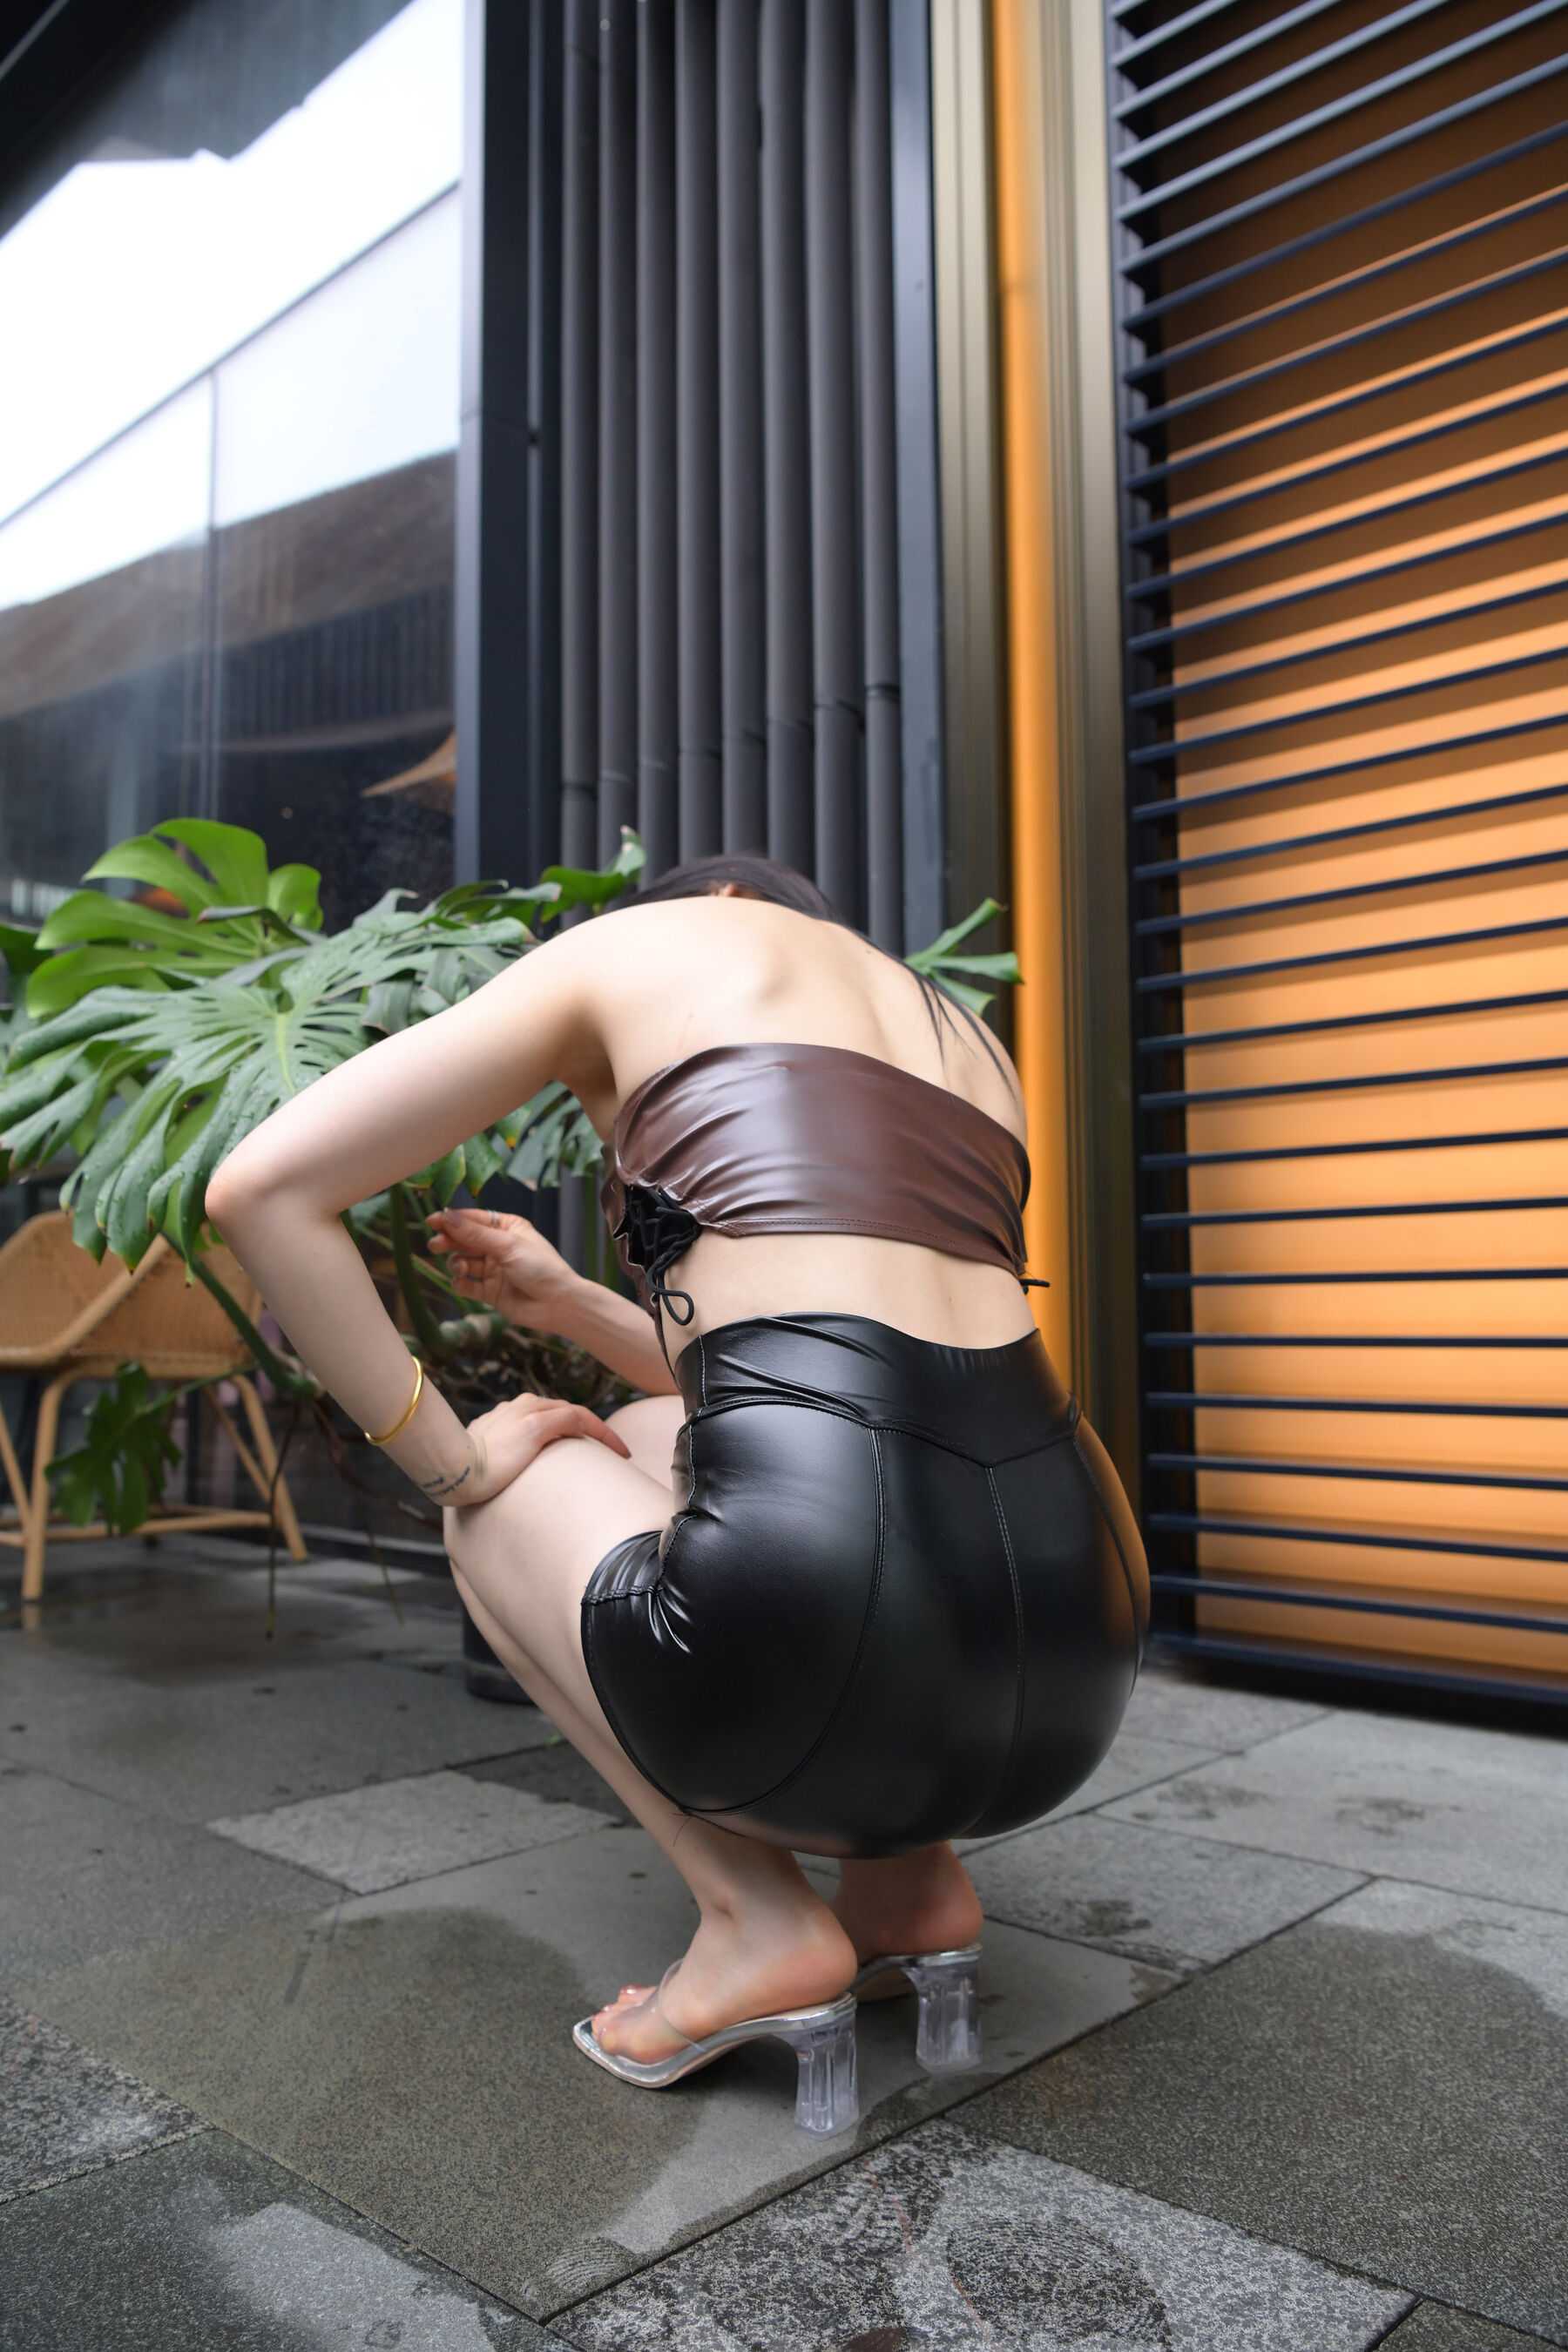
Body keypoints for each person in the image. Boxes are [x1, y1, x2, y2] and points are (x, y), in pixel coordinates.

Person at [207, 854, 1147, 2136]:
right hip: (1075, 1632)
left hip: (840, 1621)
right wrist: (563, 1301)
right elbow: (802, 1372)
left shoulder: (636, 947)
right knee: (657, 1428)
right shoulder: (961, 1035)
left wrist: (454, 1460)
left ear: (706, 907)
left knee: (491, 1506)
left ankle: (754, 1923)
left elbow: (260, 1191)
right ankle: (909, 1891)